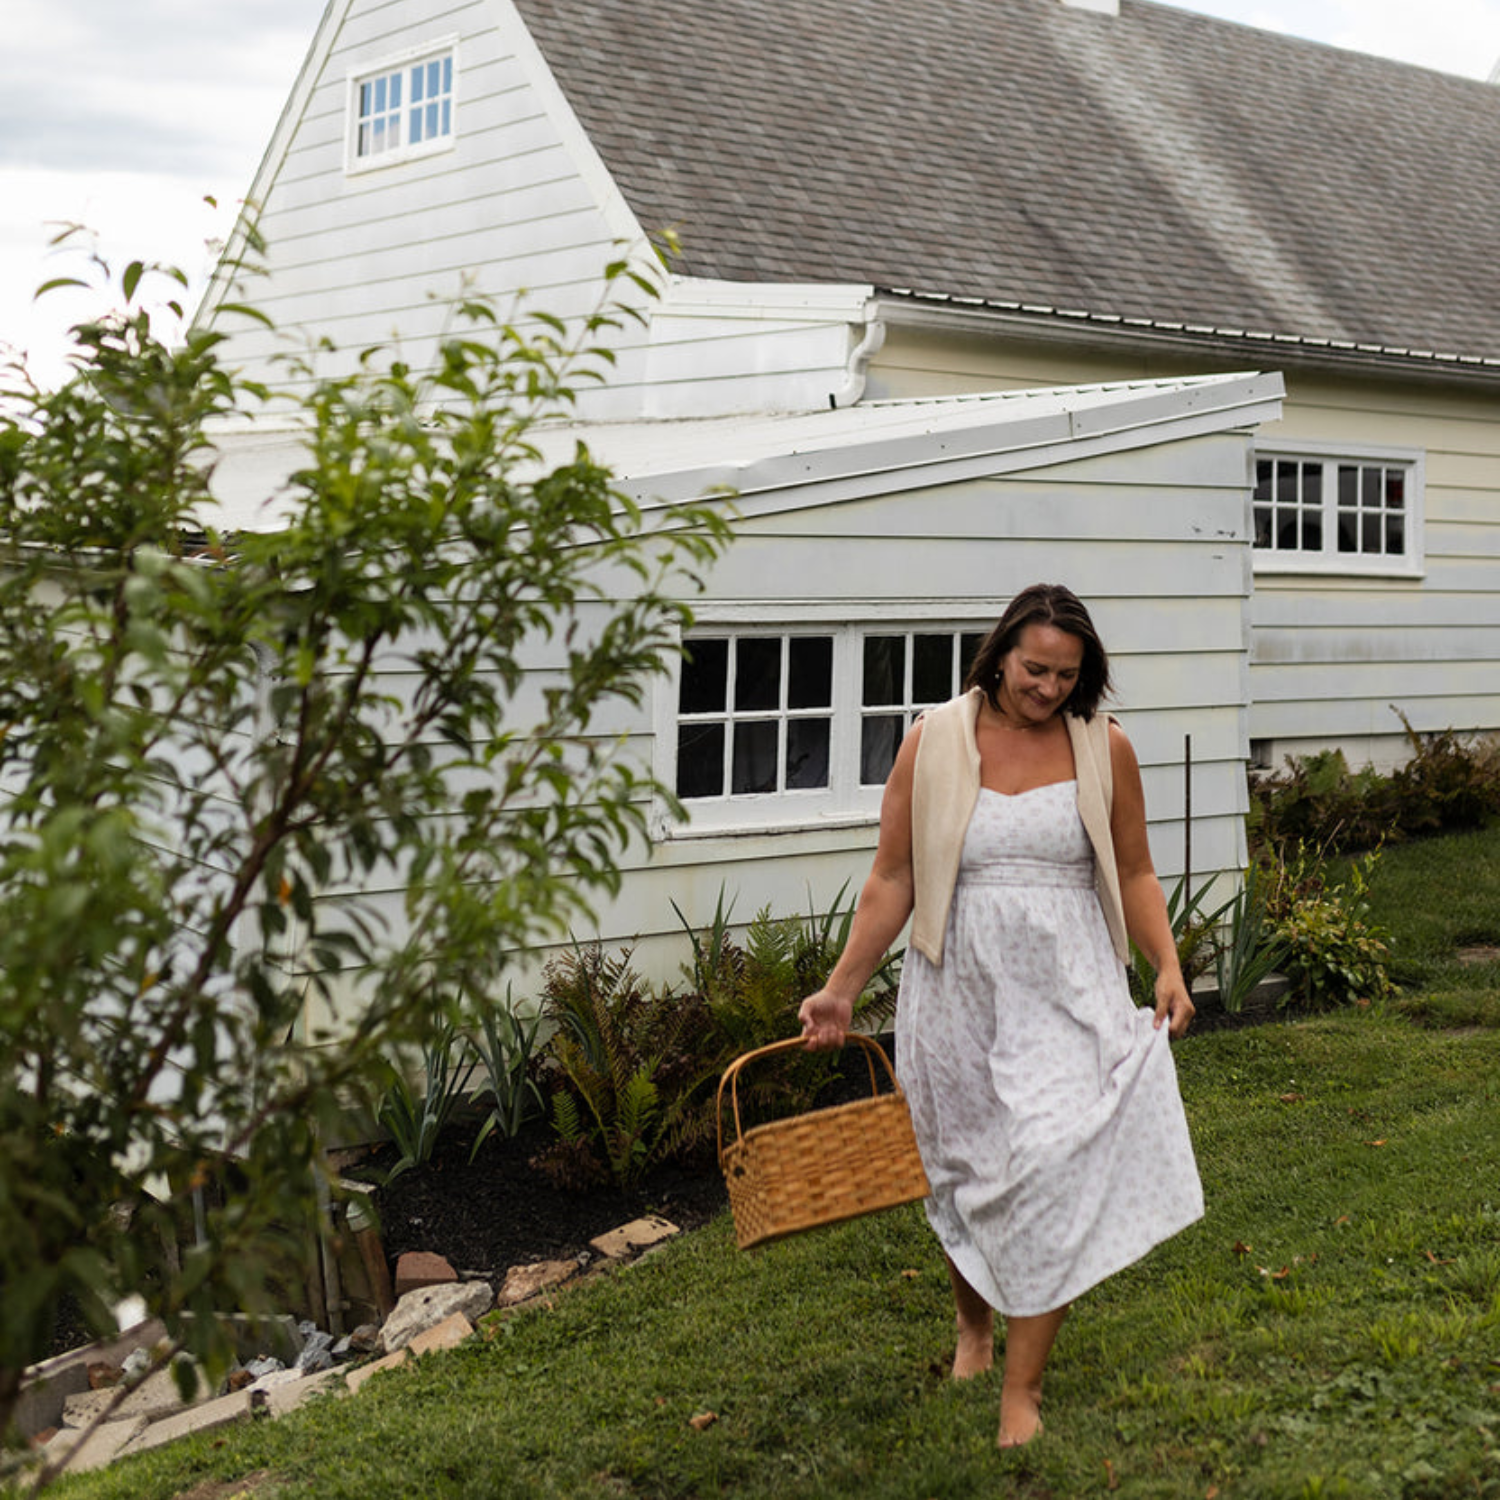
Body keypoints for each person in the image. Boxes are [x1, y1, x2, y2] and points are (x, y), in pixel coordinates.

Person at [798, 582, 1203, 1450]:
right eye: (1034, 669)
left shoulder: (1105, 747)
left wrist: (1165, 965)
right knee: (968, 1168)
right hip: (959, 990)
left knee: (1050, 1161)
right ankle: (974, 1327)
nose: (1048, 688)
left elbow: (1133, 870)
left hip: (1069, 987)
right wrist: (840, 987)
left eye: (1066, 674)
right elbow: (893, 878)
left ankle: (1024, 1389)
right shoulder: (933, 740)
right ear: (999, 654)